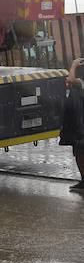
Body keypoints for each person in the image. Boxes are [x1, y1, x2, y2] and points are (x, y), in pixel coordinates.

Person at [60, 58, 84, 192]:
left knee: (80, 152)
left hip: (81, 126)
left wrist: (74, 65)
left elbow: (70, 80)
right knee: (79, 152)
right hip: (79, 123)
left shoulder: (81, 83)